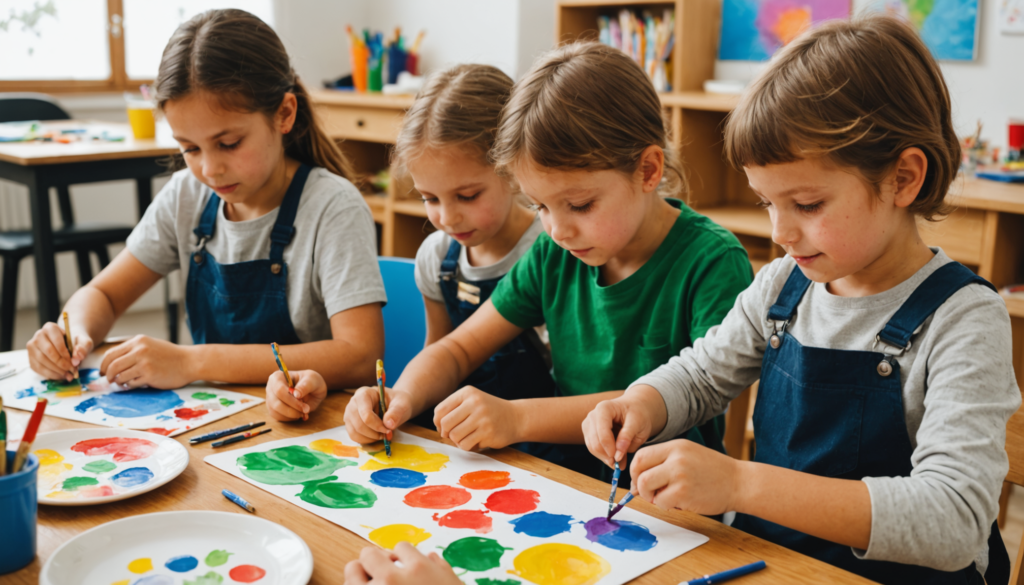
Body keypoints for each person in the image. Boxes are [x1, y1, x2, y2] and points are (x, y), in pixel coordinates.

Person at [582, 15, 1018, 584]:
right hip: (779, 564)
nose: (780, 232)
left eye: (807, 204)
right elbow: (702, 376)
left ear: (904, 178)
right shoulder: (785, 283)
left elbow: (954, 519)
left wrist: (740, 483)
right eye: (767, 202)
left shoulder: (964, 318)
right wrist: (643, 402)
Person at [344, 42, 753, 481]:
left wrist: (516, 418)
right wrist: (399, 397)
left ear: (648, 171)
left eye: (578, 204)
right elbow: (459, 348)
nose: (557, 230)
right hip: (567, 477)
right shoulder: (554, 254)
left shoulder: (712, 262)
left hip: (668, 494)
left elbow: (689, 398)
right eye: (539, 206)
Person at [27, 9, 385, 402]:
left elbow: (360, 356)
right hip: (215, 416)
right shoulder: (186, 196)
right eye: (190, 149)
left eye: (229, 143)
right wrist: (72, 334)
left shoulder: (333, 207)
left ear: (284, 113)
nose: (210, 169)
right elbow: (105, 295)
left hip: (309, 428)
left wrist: (192, 362)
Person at [271, 64, 556, 426]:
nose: (448, 218)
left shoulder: (556, 250)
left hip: (540, 442)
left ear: (513, 167)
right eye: (430, 198)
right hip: (462, 439)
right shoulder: (437, 257)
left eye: (467, 196)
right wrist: (394, 400)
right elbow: (441, 354)